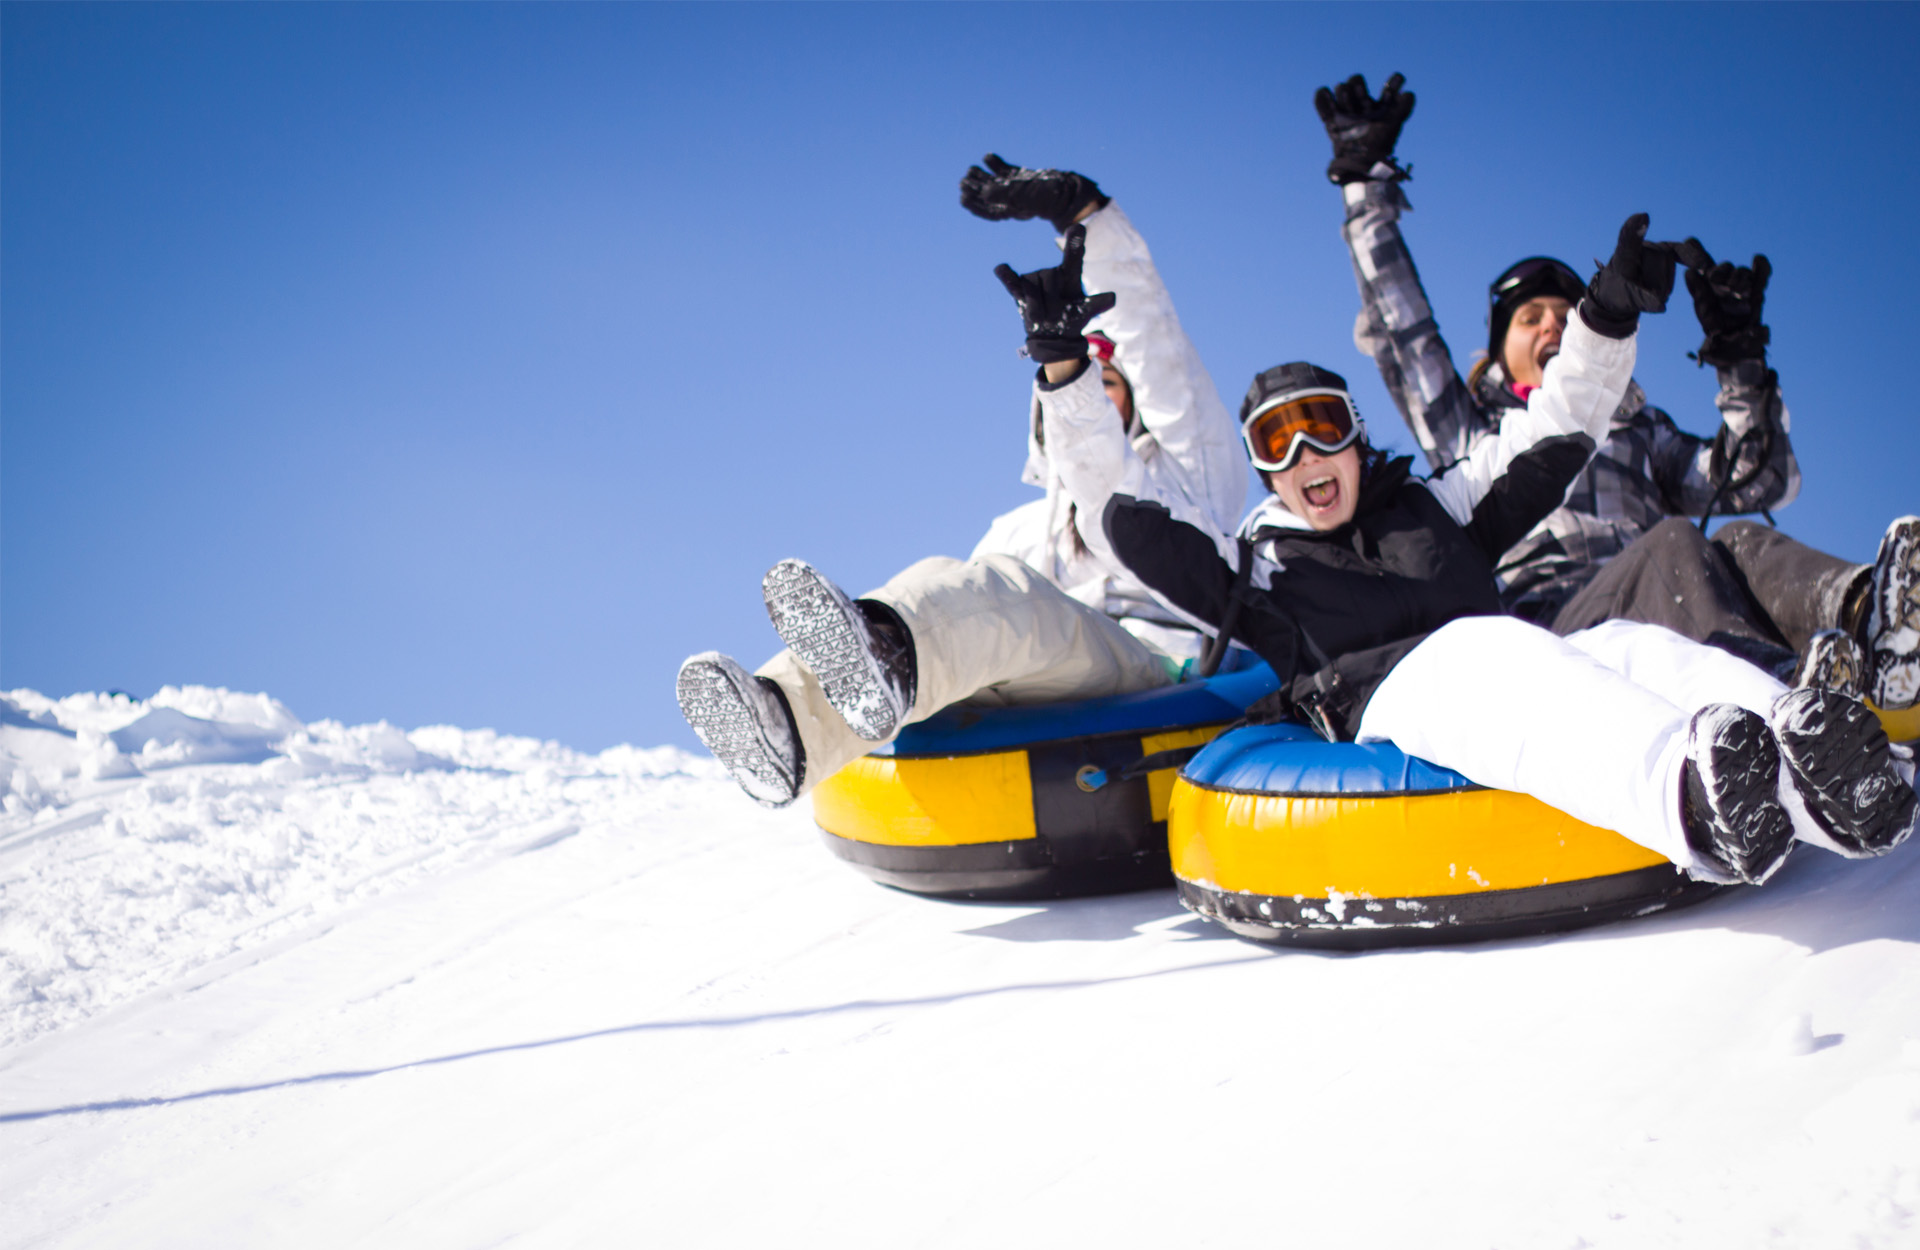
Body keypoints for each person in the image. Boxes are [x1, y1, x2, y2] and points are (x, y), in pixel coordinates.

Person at [1095, 213, 1917, 888]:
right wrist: (1069, 381)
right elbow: (1125, 514)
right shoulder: (1258, 566)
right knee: (1485, 650)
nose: (1306, 452)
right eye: (1278, 439)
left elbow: (1555, 430)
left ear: (1356, 437)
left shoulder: (1434, 503)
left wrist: (1607, 316)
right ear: (1263, 470)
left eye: (1324, 424)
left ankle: (1813, 760)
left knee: (1629, 646)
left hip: (1525, 648)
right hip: (1405, 694)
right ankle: (1691, 796)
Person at [1312, 73, 1918, 714]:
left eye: (1563, 315)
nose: (1551, 324)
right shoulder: (1467, 428)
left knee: (1735, 540)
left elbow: (1754, 482)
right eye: (1529, 319)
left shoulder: (1637, 431)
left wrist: (1740, 364)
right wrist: (1365, 189)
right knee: (1673, 547)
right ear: (1497, 353)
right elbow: (1405, 330)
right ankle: (1784, 696)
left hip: (1680, 610)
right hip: (1557, 632)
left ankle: (1876, 616)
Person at [676, 159, 1243, 808]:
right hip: (1044, 673)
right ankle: (784, 721)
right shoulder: (1020, 527)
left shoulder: (1187, 474)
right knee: (953, 578)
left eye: (1106, 387)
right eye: (1077, 388)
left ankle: (876, 661)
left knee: (1011, 601)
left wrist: (1086, 216)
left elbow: (1154, 344)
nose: (1091, 396)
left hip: (1155, 669)